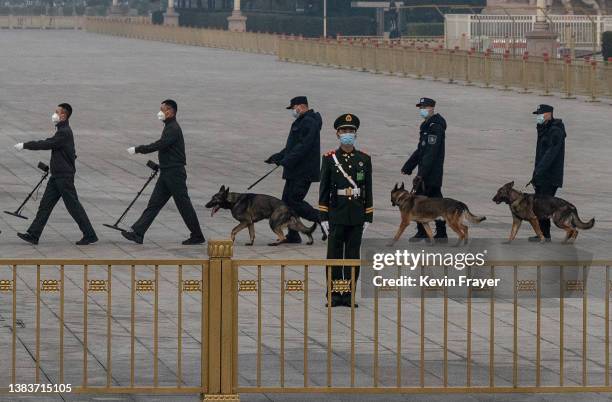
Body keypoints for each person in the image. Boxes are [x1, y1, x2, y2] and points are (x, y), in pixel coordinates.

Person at [121, 99, 205, 245]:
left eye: (163, 109)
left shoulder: (173, 128)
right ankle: (138, 233)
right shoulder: (169, 126)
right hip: (167, 172)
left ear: (170, 111)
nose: (160, 112)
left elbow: (160, 145)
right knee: (154, 203)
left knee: (184, 205)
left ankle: (197, 235)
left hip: (175, 174)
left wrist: (138, 149)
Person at [13, 103, 98, 245]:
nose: (54, 114)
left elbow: (46, 144)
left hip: (64, 177)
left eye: (56, 112)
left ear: (63, 115)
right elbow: (69, 152)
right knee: (45, 205)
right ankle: (34, 234)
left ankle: (90, 235)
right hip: (57, 176)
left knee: (74, 207)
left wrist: (25, 145)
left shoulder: (64, 132)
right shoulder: (62, 130)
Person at [319, 114, 373, 307]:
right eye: (344, 131)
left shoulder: (363, 159)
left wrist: (368, 215)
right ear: (337, 134)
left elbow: (368, 188)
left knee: (352, 256)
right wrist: (323, 215)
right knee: (334, 255)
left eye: (350, 131)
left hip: (356, 214)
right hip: (336, 213)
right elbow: (324, 189)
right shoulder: (329, 159)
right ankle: (334, 295)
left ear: (355, 134)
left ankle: (348, 294)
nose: (347, 134)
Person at [266, 96, 324, 243]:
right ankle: (293, 235)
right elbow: (292, 146)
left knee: (294, 201)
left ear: (301, 106)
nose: (293, 111)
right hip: (295, 171)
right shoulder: (301, 121)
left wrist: (287, 160)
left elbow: (303, 146)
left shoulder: (309, 122)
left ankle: (323, 219)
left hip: (303, 172)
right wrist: (277, 157)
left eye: (293, 108)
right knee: (286, 203)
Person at [401, 97, 448, 242]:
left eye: (424, 107)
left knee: (426, 203)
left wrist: (421, 174)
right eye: (421, 107)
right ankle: (434, 232)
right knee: (429, 203)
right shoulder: (427, 126)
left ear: (432, 108)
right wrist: (409, 166)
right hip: (425, 172)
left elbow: (431, 153)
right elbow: (421, 150)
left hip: (431, 174)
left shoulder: (436, 127)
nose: (422, 110)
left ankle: (433, 232)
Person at [529, 104, 566, 242]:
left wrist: (539, 171)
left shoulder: (556, 131)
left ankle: (545, 235)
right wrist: (536, 174)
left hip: (550, 176)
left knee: (543, 205)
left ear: (549, 114)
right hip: (541, 174)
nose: (538, 117)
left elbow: (550, 154)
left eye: (540, 114)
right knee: (540, 205)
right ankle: (543, 234)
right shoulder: (544, 128)